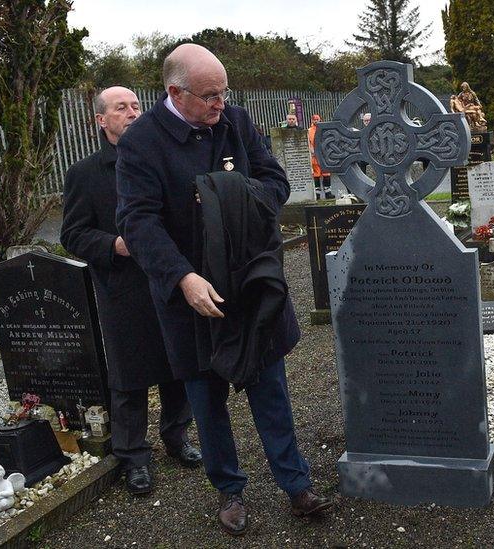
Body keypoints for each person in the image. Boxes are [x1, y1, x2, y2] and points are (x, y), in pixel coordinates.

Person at [115, 44, 334, 536]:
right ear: (176, 92)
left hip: (250, 282)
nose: (220, 104)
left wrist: (224, 193)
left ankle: (295, 483)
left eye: (223, 93)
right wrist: (181, 277)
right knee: (207, 400)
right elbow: (137, 220)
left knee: (270, 388)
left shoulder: (235, 120)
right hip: (192, 294)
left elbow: (275, 183)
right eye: (209, 96)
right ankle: (229, 490)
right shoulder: (141, 142)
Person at [60, 86, 201, 496]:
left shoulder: (163, 158)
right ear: (101, 120)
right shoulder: (85, 174)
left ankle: (177, 437)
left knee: (179, 364)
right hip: (124, 289)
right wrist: (114, 245)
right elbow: (73, 233)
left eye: (137, 105)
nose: (133, 113)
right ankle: (133, 455)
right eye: (121, 108)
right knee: (130, 376)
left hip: (170, 279)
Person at [308, 114, 332, 199]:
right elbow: (309, 143)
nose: (316, 121)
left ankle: (328, 193)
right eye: (314, 119)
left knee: (326, 173)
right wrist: (312, 151)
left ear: (320, 120)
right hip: (315, 156)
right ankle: (317, 194)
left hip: (324, 155)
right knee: (316, 174)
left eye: (317, 119)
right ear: (312, 120)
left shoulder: (324, 130)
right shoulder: (309, 131)